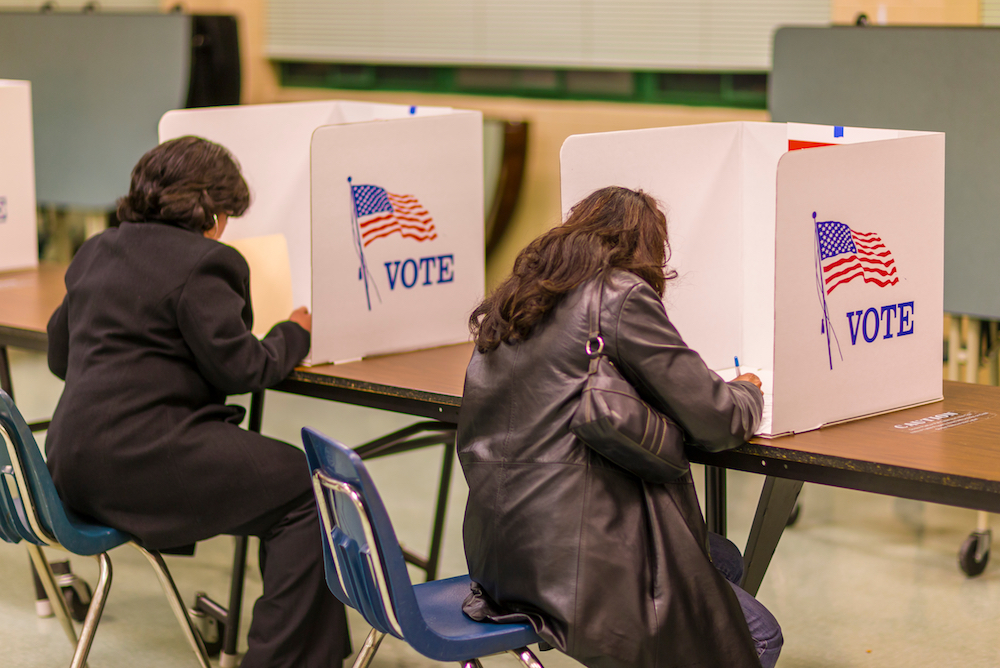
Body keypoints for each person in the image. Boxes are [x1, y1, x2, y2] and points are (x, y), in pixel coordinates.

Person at [45, 136, 350, 667]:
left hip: (69, 471)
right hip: (140, 463)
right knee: (308, 487)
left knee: (277, 478)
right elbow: (244, 368)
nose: (226, 226)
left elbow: (58, 356)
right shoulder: (207, 261)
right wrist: (293, 332)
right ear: (208, 206)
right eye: (227, 213)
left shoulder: (97, 249)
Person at [457, 186, 782, 668]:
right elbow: (718, 421)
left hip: (501, 559)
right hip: (578, 568)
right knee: (758, 636)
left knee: (722, 557)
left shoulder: (515, 302)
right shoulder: (619, 293)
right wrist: (750, 389)